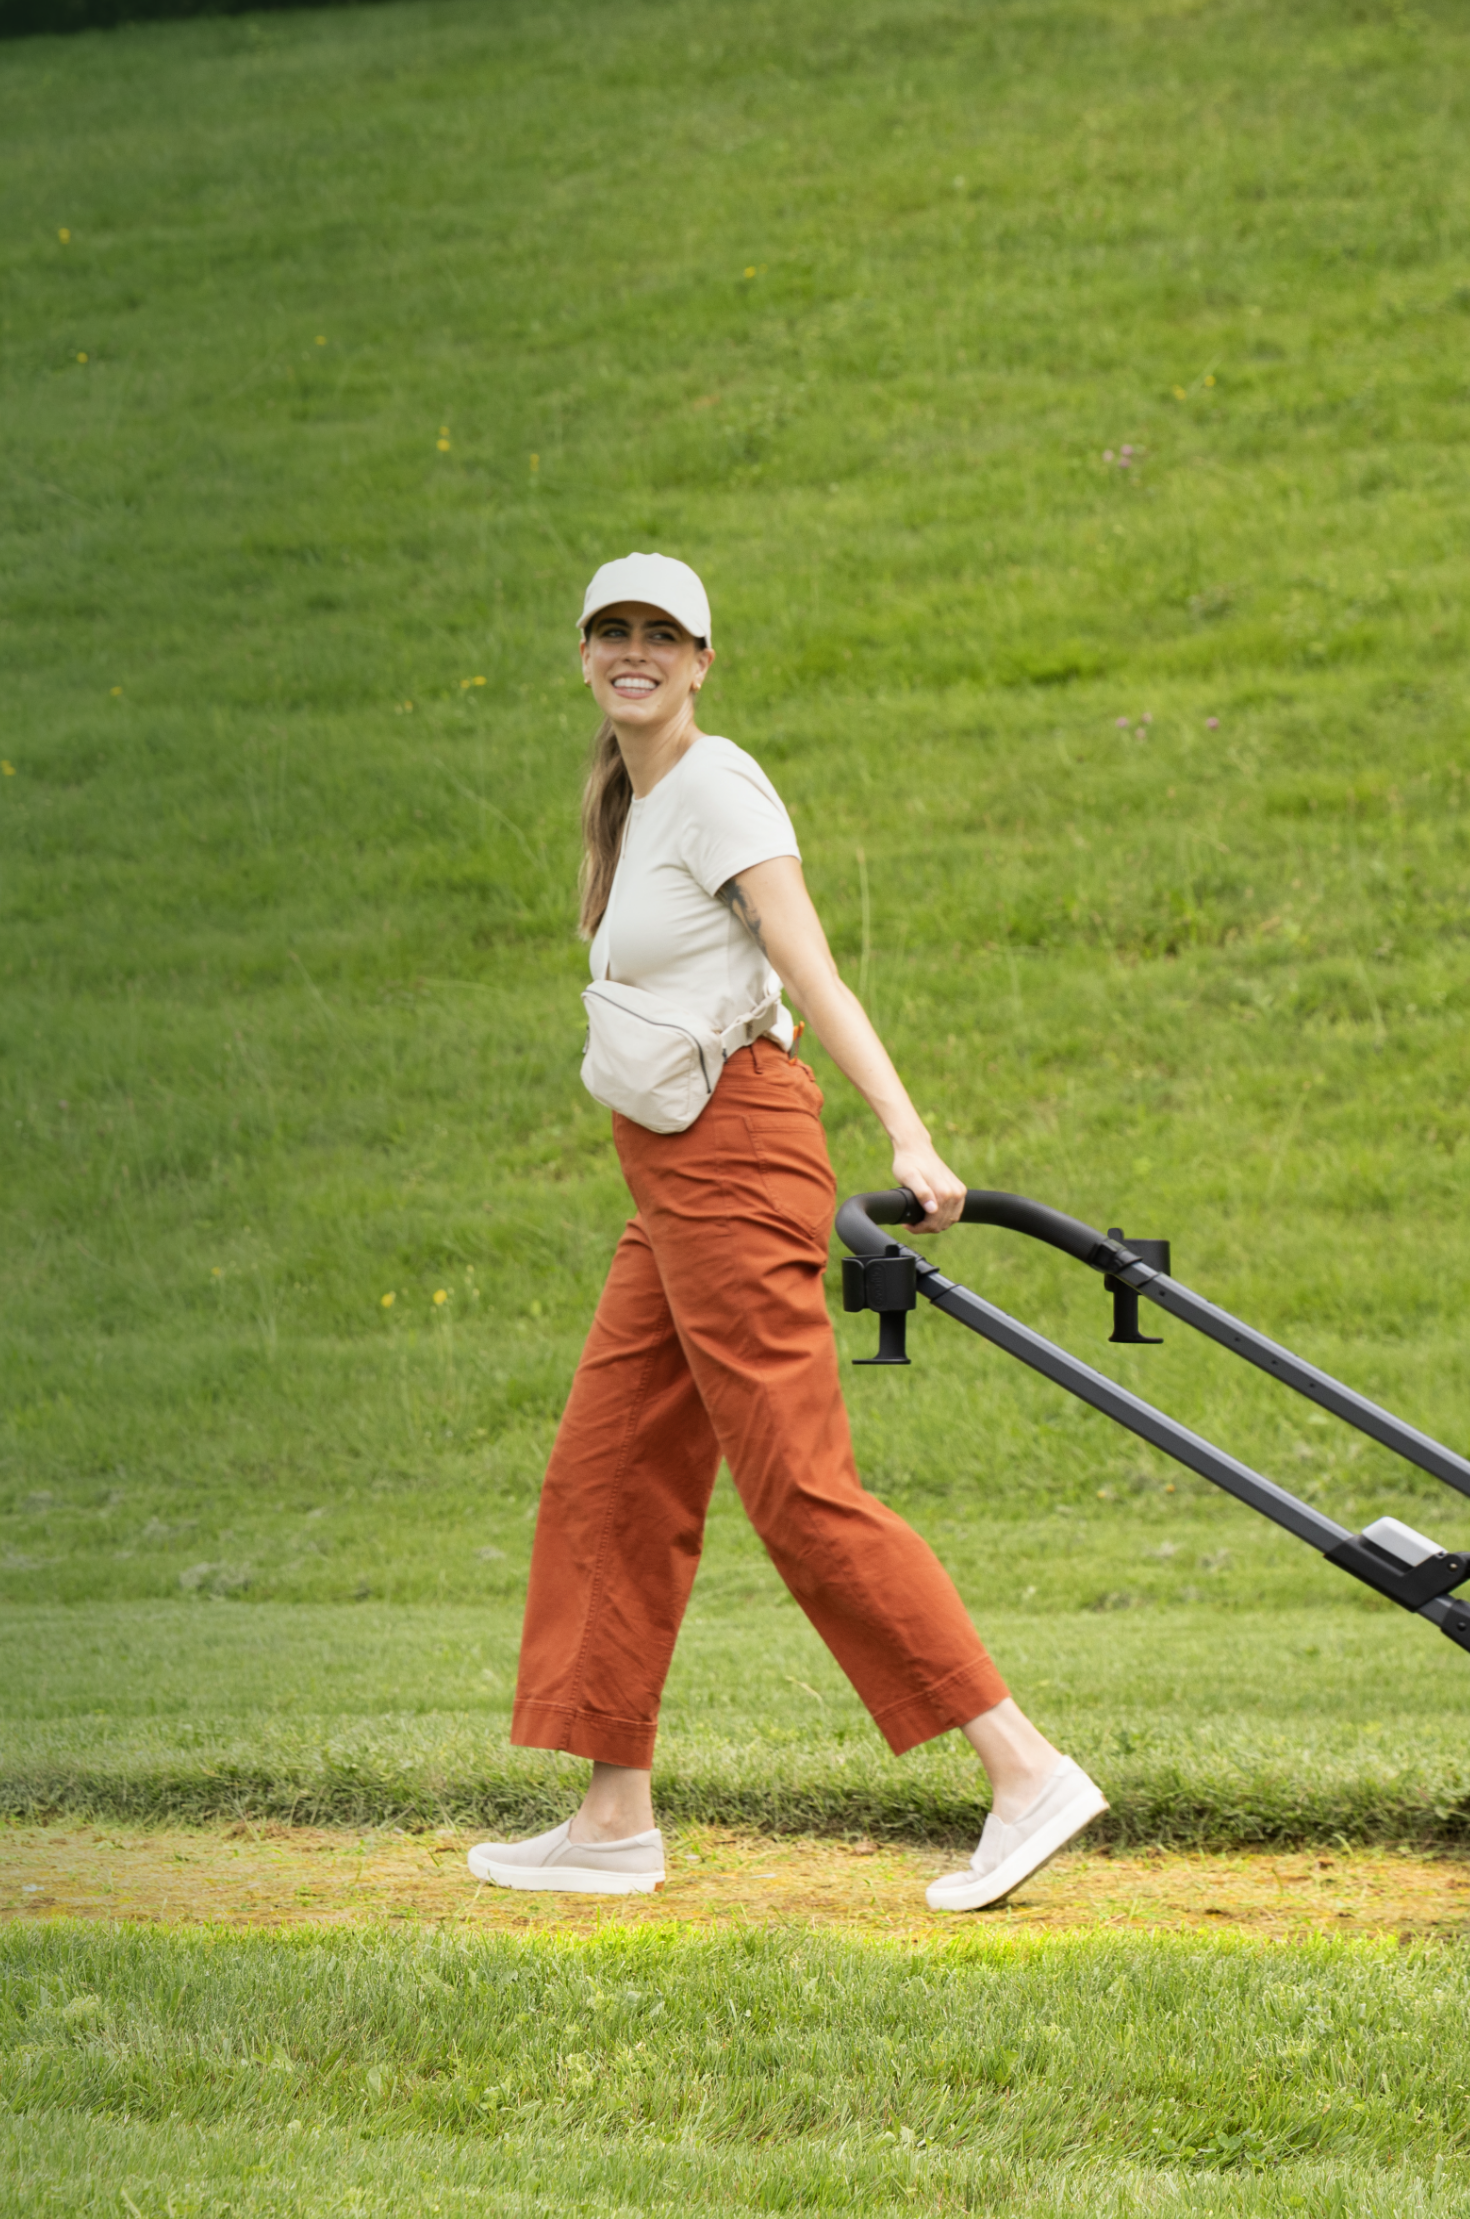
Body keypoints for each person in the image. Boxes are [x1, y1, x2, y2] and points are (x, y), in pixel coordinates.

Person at [469, 552, 1107, 1910]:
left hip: (736, 1156)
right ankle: (611, 1818)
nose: (634, 651)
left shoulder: (716, 786)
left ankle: (1024, 1769)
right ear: (586, 655)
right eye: (611, 632)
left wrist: (909, 1130)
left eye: (662, 635)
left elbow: (809, 966)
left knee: (798, 1490)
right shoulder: (632, 807)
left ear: (702, 660)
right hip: (669, 1183)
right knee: (607, 1471)